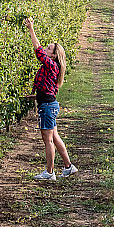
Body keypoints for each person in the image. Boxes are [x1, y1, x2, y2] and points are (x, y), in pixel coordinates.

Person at [24, 17, 78, 181]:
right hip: (50, 104)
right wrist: (35, 96)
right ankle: (69, 167)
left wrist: (31, 29)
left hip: (47, 107)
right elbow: (48, 89)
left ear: (54, 55)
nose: (45, 50)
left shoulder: (50, 64)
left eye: (49, 49)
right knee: (54, 137)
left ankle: (49, 172)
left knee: (48, 140)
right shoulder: (53, 67)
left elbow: (37, 50)